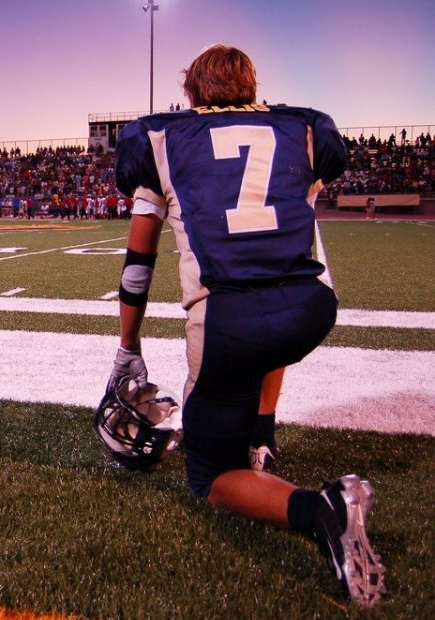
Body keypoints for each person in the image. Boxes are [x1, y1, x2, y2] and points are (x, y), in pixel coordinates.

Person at [108, 44, 385, 605]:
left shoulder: (159, 138)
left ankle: (319, 510)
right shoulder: (304, 130)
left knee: (210, 477)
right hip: (311, 308)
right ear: (252, 87)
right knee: (273, 291)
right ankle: (262, 428)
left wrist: (128, 348)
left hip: (229, 317)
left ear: (189, 93)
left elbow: (138, 267)